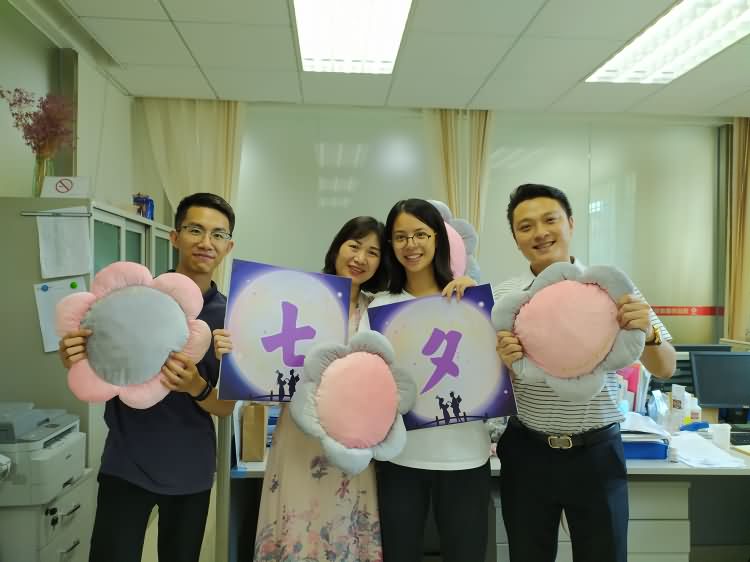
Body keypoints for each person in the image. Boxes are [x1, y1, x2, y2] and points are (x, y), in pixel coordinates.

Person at [494, 183, 676, 562]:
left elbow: (665, 367)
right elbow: (492, 386)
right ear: (515, 238)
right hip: (528, 452)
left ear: (571, 223)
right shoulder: (503, 298)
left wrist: (649, 331)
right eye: (526, 226)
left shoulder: (609, 286)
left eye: (550, 220)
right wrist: (503, 361)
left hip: (596, 452)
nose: (540, 233)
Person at [58, 192, 237, 562]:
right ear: (175, 236)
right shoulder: (132, 298)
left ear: (228, 246)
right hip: (127, 463)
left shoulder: (232, 318)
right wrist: (73, 355)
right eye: (195, 230)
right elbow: (94, 359)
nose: (206, 242)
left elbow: (225, 408)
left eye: (218, 234)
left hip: (191, 469)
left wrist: (195, 386)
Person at [253, 216, 390, 562]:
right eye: (354, 245)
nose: (360, 258)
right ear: (337, 248)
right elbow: (263, 354)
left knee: (345, 522)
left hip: (352, 439)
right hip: (300, 433)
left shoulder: (378, 310)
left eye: (372, 252)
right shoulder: (301, 298)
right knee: (295, 520)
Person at [363, 198, 490, 562]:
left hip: (466, 456)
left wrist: (477, 306)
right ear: (391, 244)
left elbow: (493, 370)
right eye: (400, 237)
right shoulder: (379, 307)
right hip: (400, 458)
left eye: (420, 234)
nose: (411, 244)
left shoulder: (469, 299)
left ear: (439, 238)